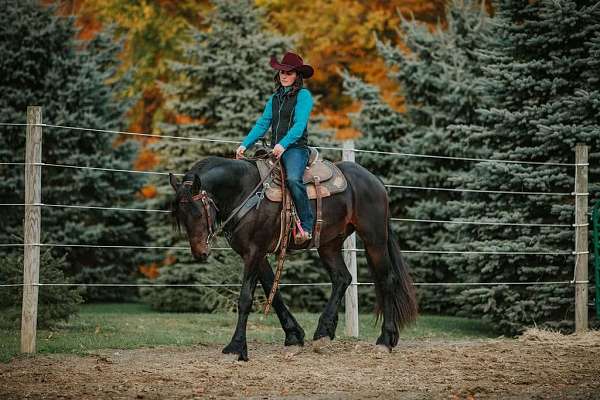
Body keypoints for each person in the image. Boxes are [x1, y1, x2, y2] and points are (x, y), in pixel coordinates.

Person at [236, 52, 315, 245]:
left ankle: (306, 225)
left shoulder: (304, 96)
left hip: (296, 148)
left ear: (297, 75)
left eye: (289, 73)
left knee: (294, 180)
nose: (285, 76)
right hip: (275, 149)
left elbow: (299, 125)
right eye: (282, 72)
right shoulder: (275, 98)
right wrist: (244, 144)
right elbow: (263, 124)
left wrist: (283, 144)